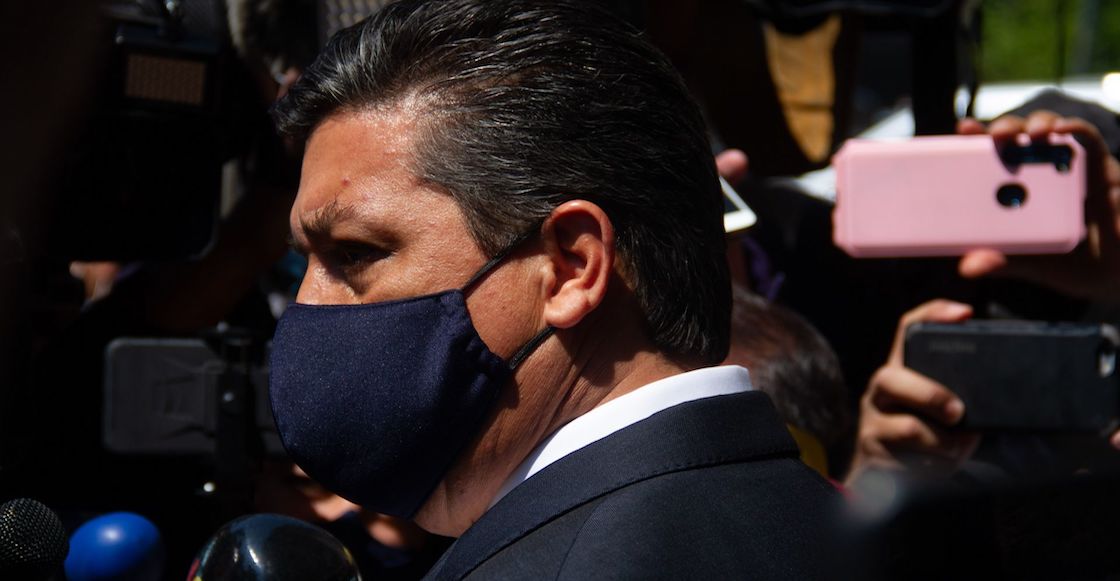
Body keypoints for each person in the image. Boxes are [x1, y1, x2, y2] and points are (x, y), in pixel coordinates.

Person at [266, 0, 837, 578]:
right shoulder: (849, 535)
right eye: (304, 262)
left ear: (570, 266)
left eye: (355, 253)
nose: (307, 306)